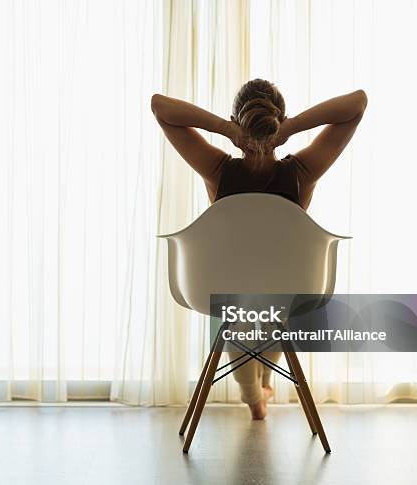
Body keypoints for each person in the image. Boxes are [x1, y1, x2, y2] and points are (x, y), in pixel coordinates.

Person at [151, 79, 367, 419]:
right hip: (290, 290)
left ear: (239, 120)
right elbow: (357, 104)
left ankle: (254, 398)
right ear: (277, 120)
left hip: (226, 288)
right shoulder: (302, 172)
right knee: (277, 314)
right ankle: (261, 388)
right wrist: (293, 127)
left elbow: (160, 107)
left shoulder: (217, 169)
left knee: (237, 315)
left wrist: (224, 129)